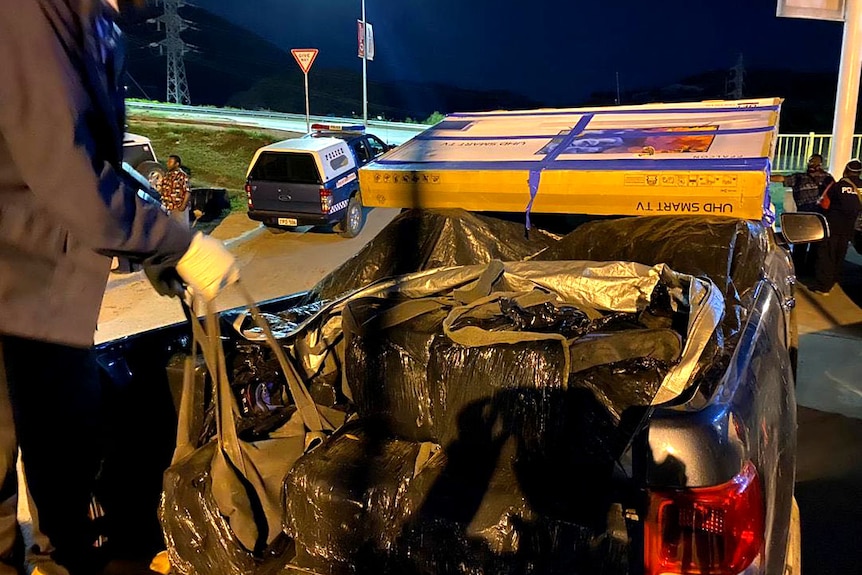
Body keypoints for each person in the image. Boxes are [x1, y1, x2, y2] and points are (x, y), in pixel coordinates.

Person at [0, 2, 239, 575]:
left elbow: (104, 157)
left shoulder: (95, 21)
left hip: (42, 293)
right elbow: (66, 167)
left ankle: (68, 559)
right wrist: (176, 245)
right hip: (12, 288)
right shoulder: (27, 15)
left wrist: (156, 243)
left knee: (69, 451)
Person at [771, 154, 834, 273]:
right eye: (810, 162)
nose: (811, 164)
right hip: (810, 213)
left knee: (805, 241)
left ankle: (803, 269)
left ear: (820, 164)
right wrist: (766, 176)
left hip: (814, 213)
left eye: (814, 162)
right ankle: (805, 269)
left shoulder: (826, 178)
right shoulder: (801, 177)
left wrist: (767, 176)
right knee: (807, 242)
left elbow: (781, 178)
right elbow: (782, 178)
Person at [810, 159, 862, 295]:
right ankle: (833, 282)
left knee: (827, 255)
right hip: (850, 228)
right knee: (840, 254)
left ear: (846, 171)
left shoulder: (837, 186)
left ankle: (823, 286)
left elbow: (824, 203)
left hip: (832, 226)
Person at [159, 155, 191, 226]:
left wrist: (182, 207)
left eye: (170, 162)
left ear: (177, 164)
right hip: (167, 208)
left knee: (181, 230)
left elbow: (187, 192)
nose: (168, 164)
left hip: (178, 208)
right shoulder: (166, 176)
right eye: (168, 162)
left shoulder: (182, 176)